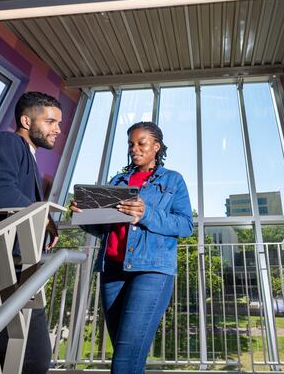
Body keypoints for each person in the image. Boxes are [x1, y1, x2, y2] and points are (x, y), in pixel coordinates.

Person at [71, 121, 193, 374]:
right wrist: (85, 217)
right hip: (112, 270)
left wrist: (146, 213)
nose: (134, 149)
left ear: (156, 147)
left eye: (141, 143)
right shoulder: (118, 180)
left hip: (151, 271)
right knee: (127, 354)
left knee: (125, 359)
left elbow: (185, 225)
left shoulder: (173, 180)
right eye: (130, 144)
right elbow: (104, 229)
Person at [0, 91, 62, 373]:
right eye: (51, 121)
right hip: (0, 265)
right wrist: (41, 215)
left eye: (59, 123)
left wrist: (45, 220)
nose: (58, 130)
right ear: (26, 120)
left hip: (12, 264)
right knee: (31, 358)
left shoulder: (27, 157)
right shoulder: (6, 142)